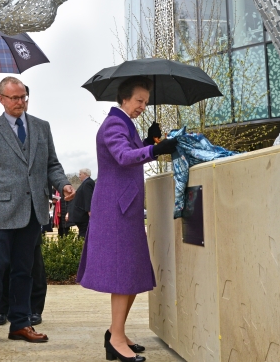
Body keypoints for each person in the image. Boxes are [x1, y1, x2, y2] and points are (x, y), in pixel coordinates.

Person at [77, 76, 178, 362]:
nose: (143, 107)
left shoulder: (124, 124)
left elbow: (131, 154)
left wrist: (147, 141)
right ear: (124, 99)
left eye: (146, 102)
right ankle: (116, 339)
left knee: (131, 272)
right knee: (123, 274)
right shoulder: (113, 124)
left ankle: (115, 333)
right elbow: (123, 156)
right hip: (116, 210)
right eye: (139, 101)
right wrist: (155, 149)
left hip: (126, 208)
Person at [0, 76, 74, 353]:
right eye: (14, 98)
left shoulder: (42, 127)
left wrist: (62, 183)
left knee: (24, 271)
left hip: (33, 212)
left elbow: (52, 164)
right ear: (1, 99)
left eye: (23, 97)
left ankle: (20, 323)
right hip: (0, 213)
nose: (20, 102)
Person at [69, 168, 95, 239]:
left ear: (85, 174)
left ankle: (81, 248)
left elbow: (88, 197)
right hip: (81, 214)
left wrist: (89, 210)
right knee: (83, 232)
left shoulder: (88, 183)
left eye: (80, 174)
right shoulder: (85, 183)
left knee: (83, 234)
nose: (79, 176)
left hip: (83, 214)